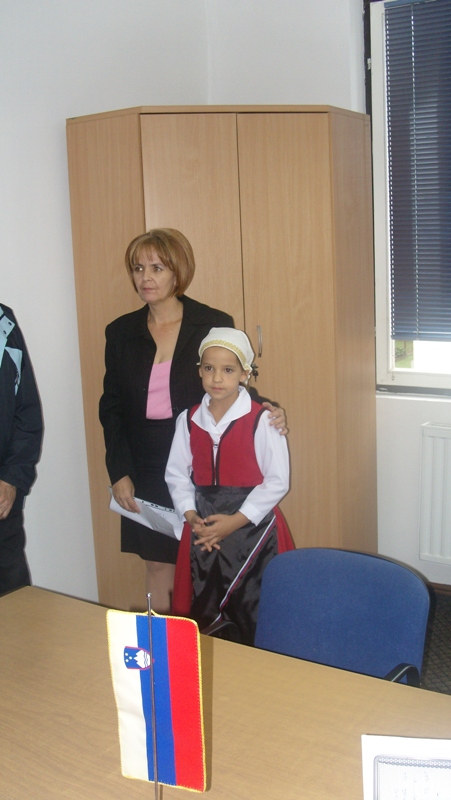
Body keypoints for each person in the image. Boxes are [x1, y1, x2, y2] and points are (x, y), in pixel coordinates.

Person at [99, 229, 286, 613]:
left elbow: (228, 383)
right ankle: (166, 644)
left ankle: (215, 638)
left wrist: (268, 410)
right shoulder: (120, 332)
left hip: (199, 461)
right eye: (138, 268)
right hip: (144, 463)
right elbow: (111, 407)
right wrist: (119, 470)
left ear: (177, 272)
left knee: (207, 562)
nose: (146, 278)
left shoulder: (211, 322)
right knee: (157, 563)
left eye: (157, 268)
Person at [165, 327, 293, 645]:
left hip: (253, 529)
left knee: (254, 610)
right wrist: (190, 516)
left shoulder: (263, 420)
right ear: (199, 371)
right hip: (203, 526)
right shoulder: (188, 419)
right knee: (203, 608)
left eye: (228, 370)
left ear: (245, 374)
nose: (217, 378)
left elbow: (277, 481)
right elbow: (177, 474)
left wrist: (235, 522)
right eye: (209, 368)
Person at [0, 304, 43, 595]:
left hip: (2, 503)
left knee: (15, 604)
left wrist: (11, 479)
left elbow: (26, 413)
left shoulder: (4, 322)